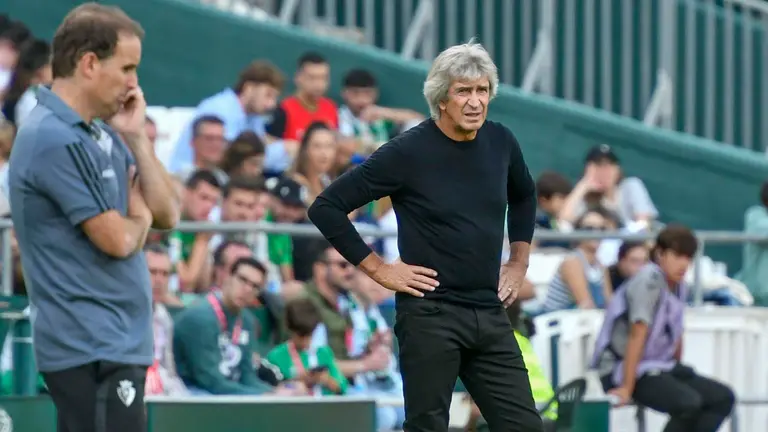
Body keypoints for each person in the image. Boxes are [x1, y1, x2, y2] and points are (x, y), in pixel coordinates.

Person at [308, 40, 542, 432]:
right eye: (463, 91)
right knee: (428, 426)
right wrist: (380, 270)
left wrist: (518, 262)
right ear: (442, 98)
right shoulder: (407, 151)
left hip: (488, 309)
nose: (475, 101)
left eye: (482, 90)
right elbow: (326, 207)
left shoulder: (501, 141)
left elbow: (525, 195)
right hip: (430, 315)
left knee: (525, 427)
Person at [7, 4, 180, 432]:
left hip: (115, 342)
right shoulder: (49, 136)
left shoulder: (101, 132)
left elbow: (168, 213)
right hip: (87, 346)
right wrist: (138, 216)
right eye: (126, 68)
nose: (133, 83)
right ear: (88, 64)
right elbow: (119, 240)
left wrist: (137, 137)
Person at [591, 225, 735, 432]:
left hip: (659, 366)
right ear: (660, 254)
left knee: (722, 398)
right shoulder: (648, 281)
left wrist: (677, 370)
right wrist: (626, 387)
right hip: (622, 368)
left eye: (688, 257)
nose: (684, 263)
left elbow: (676, 332)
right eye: (677, 255)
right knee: (687, 403)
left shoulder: (679, 285)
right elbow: (636, 335)